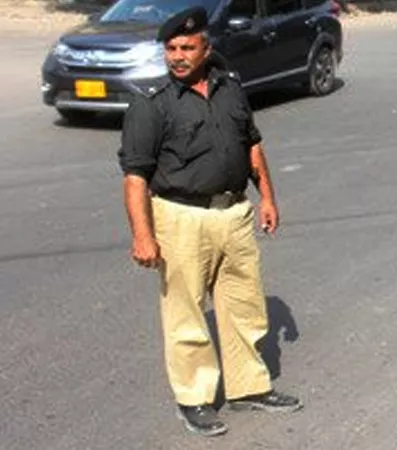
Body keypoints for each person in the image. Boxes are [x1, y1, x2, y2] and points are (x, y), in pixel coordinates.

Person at [117, 6, 301, 437]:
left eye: (187, 47)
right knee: (185, 313)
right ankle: (194, 399)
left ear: (206, 48)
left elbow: (252, 144)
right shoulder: (151, 105)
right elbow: (135, 176)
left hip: (234, 213)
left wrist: (268, 197)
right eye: (171, 49)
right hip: (181, 217)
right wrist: (143, 235)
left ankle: (248, 388)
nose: (178, 56)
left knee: (244, 304)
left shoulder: (230, 88)